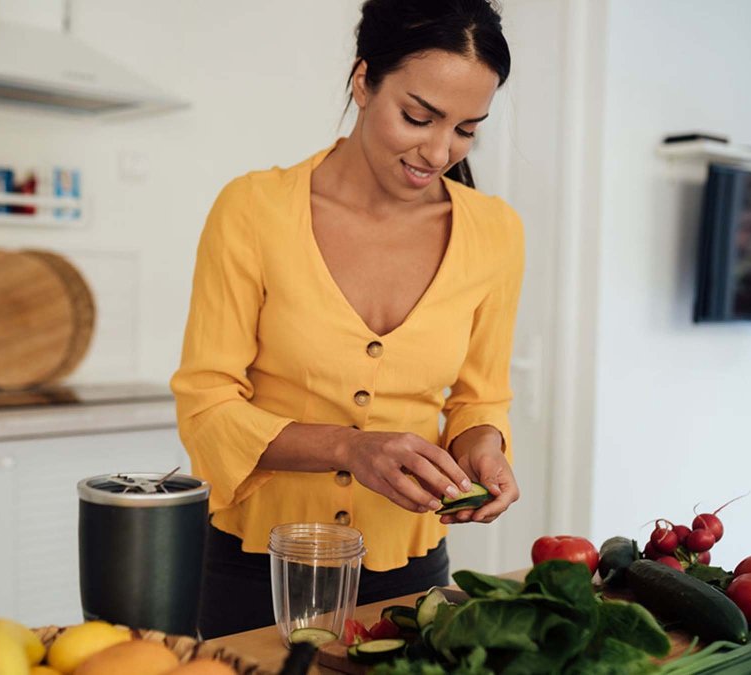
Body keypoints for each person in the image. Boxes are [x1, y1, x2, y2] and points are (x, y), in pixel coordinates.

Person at [171, 0, 525, 638]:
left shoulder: (495, 232)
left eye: (468, 129)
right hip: (256, 567)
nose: (440, 150)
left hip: (411, 571)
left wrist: (484, 449)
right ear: (363, 82)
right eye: (418, 116)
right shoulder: (253, 209)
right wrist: (349, 447)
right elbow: (206, 407)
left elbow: (480, 398)